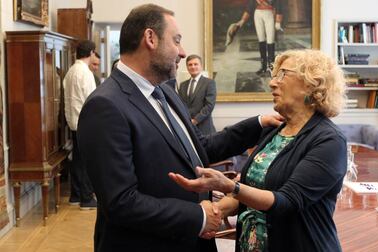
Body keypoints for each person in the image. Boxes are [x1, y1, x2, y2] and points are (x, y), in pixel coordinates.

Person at [77, 4, 282, 252]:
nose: (183, 52)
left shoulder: (165, 91)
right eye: (176, 41)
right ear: (150, 38)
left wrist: (258, 124)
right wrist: (198, 216)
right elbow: (120, 202)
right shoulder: (105, 105)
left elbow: (199, 148)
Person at [170, 49, 348, 251]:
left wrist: (229, 186)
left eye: (282, 75)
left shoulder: (329, 141)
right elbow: (251, 193)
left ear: (311, 85)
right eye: (274, 76)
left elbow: (287, 201)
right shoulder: (274, 131)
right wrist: (213, 213)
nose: (272, 83)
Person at [63, 40, 97, 210]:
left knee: (77, 160)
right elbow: (92, 100)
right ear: (91, 53)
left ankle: (75, 195)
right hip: (85, 121)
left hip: (73, 121)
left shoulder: (71, 71)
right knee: (86, 161)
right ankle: (86, 198)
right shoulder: (85, 72)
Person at [226, 0, 284, 74]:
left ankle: (271, 67)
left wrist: (278, 21)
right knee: (261, 40)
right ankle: (263, 67)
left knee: (270, 40)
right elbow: (250, 7)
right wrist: (242, 21)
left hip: (269, 13)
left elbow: (278, 4)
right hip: (257, 14)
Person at [178, 54, 217, 135]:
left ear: (201, 66)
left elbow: (209, 105)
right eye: (190, 65)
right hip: (188, 128)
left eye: (196, 64)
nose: (193, 67)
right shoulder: (182, 85)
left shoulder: (209, 83)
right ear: (187, 67)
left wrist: (195, 120)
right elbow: (181, 105)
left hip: (205, 128)